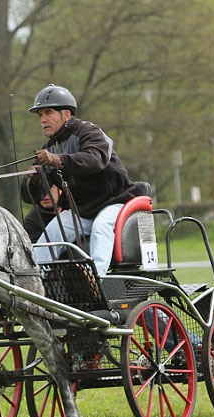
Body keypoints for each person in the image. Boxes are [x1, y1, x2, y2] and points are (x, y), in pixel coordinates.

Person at [21, 83, 137, 276]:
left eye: (48, 112)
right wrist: (33, 181)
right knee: (53, 233)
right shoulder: (49, 147)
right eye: (40, 115)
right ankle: (35, 281)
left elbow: (94, 160)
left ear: (66, 114)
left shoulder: (90, 133)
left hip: (115, 204)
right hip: (82, 210)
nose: (43, 120)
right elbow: (33, 196)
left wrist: (57, 160)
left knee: (101, 227)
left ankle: (96, 279)